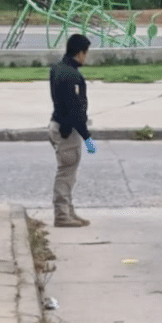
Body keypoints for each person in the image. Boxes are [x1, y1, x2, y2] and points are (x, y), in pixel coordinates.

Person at [49, 34, 96, 228]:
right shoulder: (72, 76)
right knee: (66, 173)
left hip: (55, 124)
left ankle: (68, 211)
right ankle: (62, 214)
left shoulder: (57, 69)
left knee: (68, 173)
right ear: (80, 52)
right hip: (67, 131)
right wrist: (87, 137)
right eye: (86, 53)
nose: (87, 58)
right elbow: (75, 110)